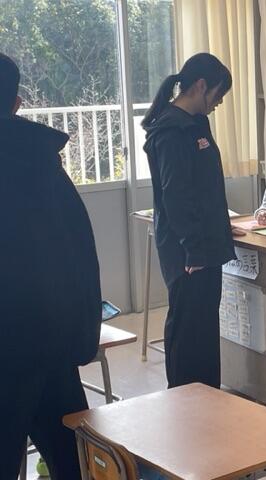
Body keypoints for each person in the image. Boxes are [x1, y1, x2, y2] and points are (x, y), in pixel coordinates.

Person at [0, 52, 102, 479]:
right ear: (17, 103)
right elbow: (80, 254)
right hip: (50, 345)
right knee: (74, 460)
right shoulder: (45, 166)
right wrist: (83, 338)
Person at [142, 53, 244, 389]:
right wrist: (194, 248)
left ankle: (208, 399)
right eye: (218, 94)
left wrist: (219, 226)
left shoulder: (197, 123)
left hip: (206, 243)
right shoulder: (172, 129)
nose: (219, 102)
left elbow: (204, 187)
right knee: (188, 330)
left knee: (204, 329)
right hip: (188, 251)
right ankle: (184, 399)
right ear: (201, 86)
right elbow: (176, 196)